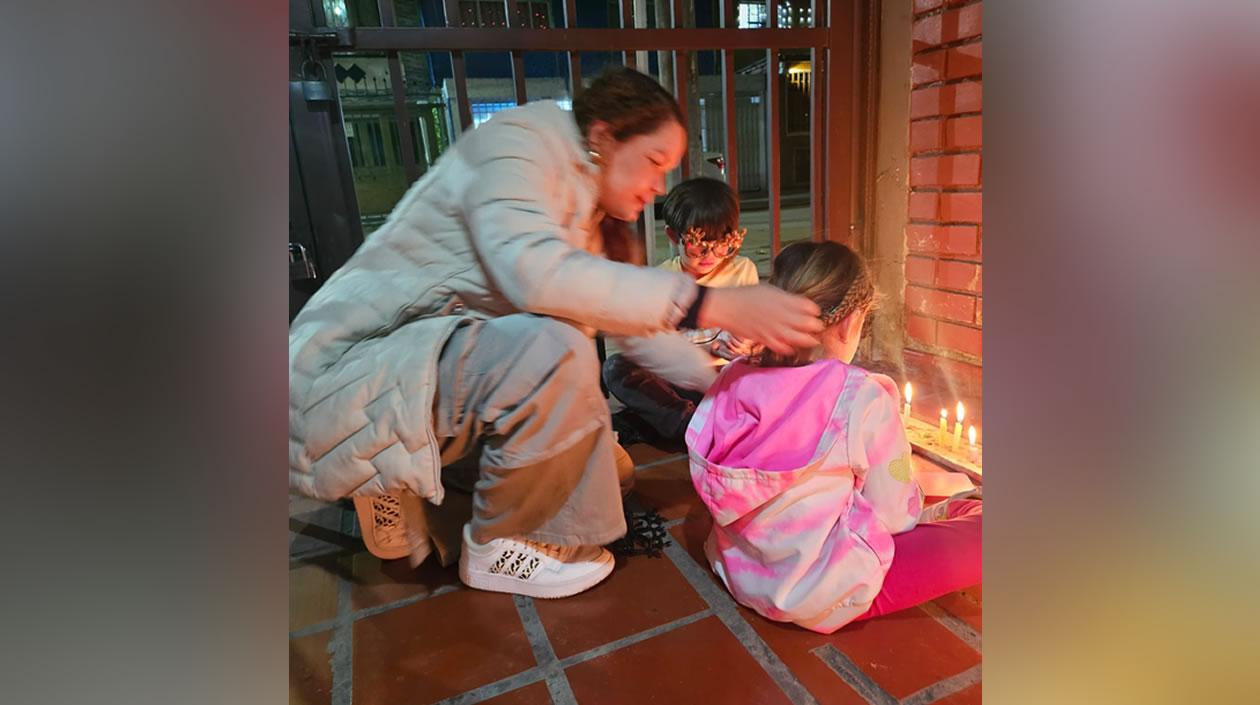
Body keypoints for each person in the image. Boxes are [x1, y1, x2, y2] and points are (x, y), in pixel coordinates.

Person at [288, 66, 824, 600]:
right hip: (352, 369)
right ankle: (490, 544)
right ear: (603, 138)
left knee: (610, 474)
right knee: (557, 348)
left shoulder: (590, 218)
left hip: (436, 377)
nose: (659, 186)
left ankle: (414, 494)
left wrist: (731, 393)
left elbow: (638, 333)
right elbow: (535, 273)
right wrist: (715, 305)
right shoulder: (521, 145)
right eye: (655, 162)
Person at [686, 241, 982, 632]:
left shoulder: (733, 377)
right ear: (850, 320)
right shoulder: (861, 396)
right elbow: (894, 516)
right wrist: (910, 493)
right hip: (822, 591)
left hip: (740, 570)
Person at [603, 177, 759, 447]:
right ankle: (694, 429)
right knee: (616, 368)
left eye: (723, 243)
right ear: (673, 236)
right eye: (698, 244)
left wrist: (744, 342)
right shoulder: (662, 280)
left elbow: (756, 337)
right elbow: (654, 351)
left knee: (763, 379)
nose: (711, 254)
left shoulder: (743, 271)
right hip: (681, 384)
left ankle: (665, 429)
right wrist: (706, 350)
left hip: (723, 382)